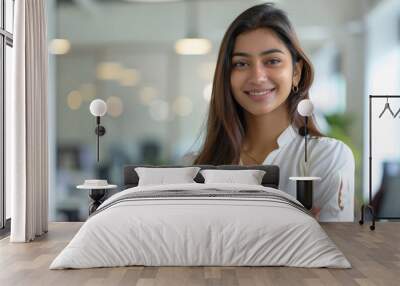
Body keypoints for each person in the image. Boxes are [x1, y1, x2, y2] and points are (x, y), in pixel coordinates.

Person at [192, 3, 355, 222]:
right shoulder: (197, 167)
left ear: (296, 72)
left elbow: (332, 252)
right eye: (241, 64)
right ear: (227, 77)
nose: (258, 76)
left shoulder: (328, 157)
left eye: (272, 61)